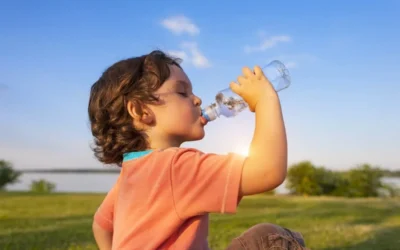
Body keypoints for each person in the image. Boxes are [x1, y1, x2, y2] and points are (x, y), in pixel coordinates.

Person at [88, 50, 308, 249]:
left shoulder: (131, 174)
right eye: (182, 93)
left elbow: (101, 226)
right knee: (268, 238)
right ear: (140, 110)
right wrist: (265, 100)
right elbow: (267, 171)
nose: (197, 100)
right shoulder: (175, 167)